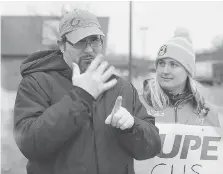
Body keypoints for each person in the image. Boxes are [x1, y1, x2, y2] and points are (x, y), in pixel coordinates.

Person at [13, 8, 161, 174]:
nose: (89, 49)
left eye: (94, 40)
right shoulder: (36, 83)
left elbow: (152, 147)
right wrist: (80, 97)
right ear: (61, 45)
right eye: (80, 42)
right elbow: (30, 144)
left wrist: (132, 126)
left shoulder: (121, 87)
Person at [142, 29, 220, 127]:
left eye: (173, 64)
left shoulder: (207, 112)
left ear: (188, 70)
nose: (165, 71)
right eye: (161, 63)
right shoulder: (139, 105)